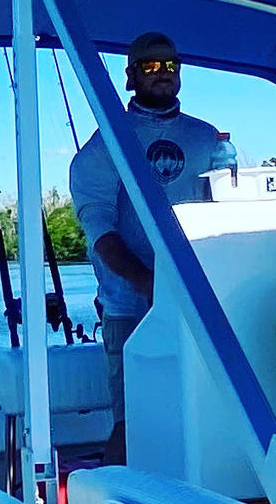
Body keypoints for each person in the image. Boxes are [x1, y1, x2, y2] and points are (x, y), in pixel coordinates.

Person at [68, 31, 238, 462]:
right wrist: (147, 281)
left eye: (170, 66)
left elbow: (230, 208)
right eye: (150, 67)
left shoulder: (207, 139)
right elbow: (100, 231)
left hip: (196, 300)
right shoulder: (105, 145)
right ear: (130, 77)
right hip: (129, 306)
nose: (162, 73)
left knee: (206, 412)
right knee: (132, 422)